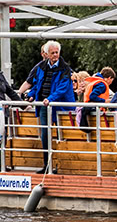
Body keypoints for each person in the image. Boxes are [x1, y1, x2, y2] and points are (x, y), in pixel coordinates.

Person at [17, 40, 75, 173]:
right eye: (52, 53)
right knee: (45, 135)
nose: (55, 55)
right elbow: (37, 84)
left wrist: (50, 99)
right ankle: (47, 165)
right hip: (44, 105)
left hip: (61, 106)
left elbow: (63, 88)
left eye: (57, 52)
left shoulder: (65, 68)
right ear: (47, 54)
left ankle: (64, 166)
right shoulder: (41, 67)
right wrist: (31, 95)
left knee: (63, 134)